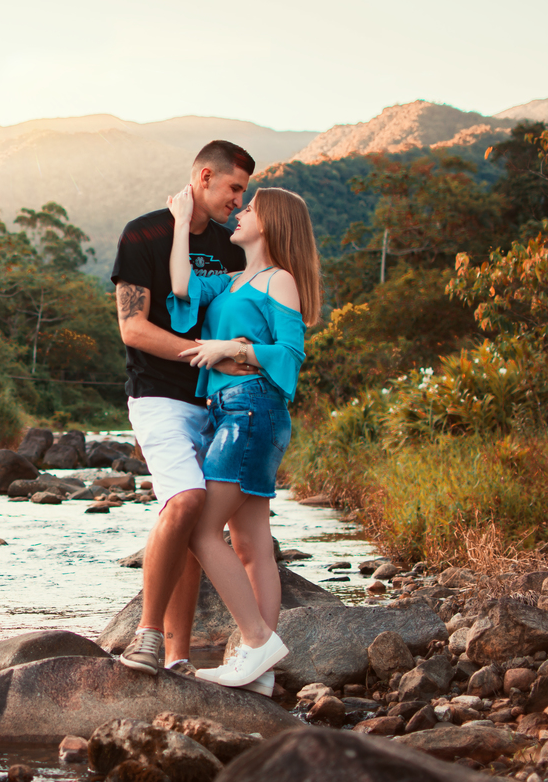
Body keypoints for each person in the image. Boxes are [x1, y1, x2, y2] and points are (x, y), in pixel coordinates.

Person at [164, 184, 322, 690]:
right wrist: (180, 220)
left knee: (200, 530)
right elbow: (182, 283)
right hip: (234, 411)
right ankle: (262, 672)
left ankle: (256, 641)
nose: (240, 211)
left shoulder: (281, 281)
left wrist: (233, 348)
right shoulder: (230, 280)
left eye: (249, 207)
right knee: (252, 543)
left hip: (252, 410)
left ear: (270, 222)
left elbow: (291, 354)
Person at [112, 140, 257, 677]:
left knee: (199, 526)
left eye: (245, 191)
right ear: (203, 177)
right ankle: (146, 636)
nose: (239, 202)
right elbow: (133, 327)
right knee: (186, 500)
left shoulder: (235, 244)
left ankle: (177, 658)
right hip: (159, 396)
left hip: (221, 402)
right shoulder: (144, 233)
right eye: (233, 188)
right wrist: (204, 353)